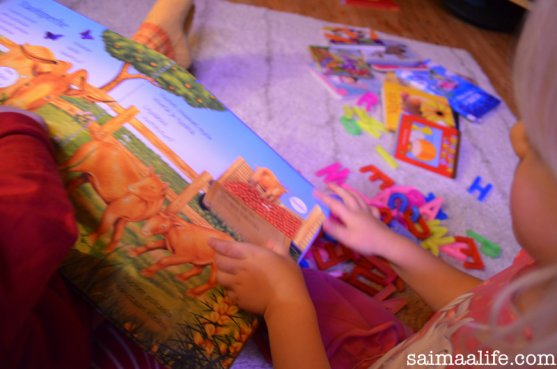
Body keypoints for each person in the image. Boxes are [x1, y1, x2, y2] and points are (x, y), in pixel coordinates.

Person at [209, 1, 557, 368]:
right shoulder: (545, 268)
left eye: (536, 148)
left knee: (278, 292)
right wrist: (388, 244)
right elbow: (480, 307)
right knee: (309, 284)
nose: (517, 135)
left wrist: (283, 304)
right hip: (423, 347)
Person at [0, 0, 195, 368]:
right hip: (52, 335)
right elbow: (29, 223)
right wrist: (15, 125)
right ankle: (152, 54)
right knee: (160, 335)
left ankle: (150, 53)